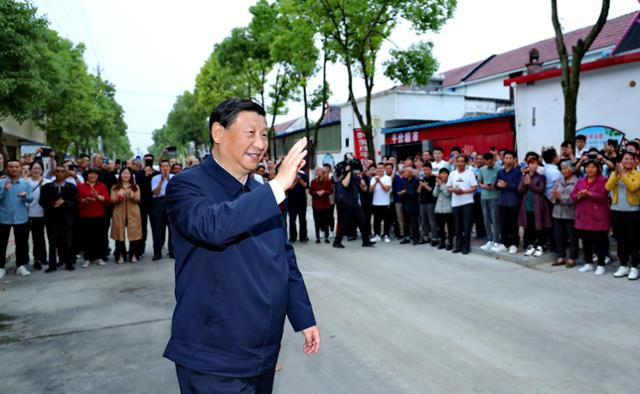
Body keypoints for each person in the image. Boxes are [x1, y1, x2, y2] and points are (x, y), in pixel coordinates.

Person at [163, 99, 319, 393]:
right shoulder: (187, 186)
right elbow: (213, 227)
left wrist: (303, 317)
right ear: (218, 133)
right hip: (211, 356)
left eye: (264, 135)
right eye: (250, 133)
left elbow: (283, 258)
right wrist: (277, 186)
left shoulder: (260, 192)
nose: (260, 144)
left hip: (262, 352)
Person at [572, 160, 610, 276]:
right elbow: (573, 195)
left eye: (593, 167)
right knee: (586, 241)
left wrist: (590, 194)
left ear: (598, 168)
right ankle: (588, 263)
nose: (590, 169)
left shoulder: (603, 180)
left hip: (598, 216)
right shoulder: (581, 181)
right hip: (583, 216)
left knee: (600, 242)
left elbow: (604, 196)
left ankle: (601, 264)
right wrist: (579, 195)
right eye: (588, 167)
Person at [605, 151, 640, 280]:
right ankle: (624, 265)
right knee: (621, 239)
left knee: (633, 240)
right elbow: (607, 187)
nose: (629, 161)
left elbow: (632, 187)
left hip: (633, 211)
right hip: (616, 210)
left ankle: (634, 266)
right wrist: (616, 174)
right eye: (626, 159)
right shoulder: (615, 174)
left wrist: (624, 174)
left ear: (635, 161)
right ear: (621, 161)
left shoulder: (637, 175)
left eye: (631, 159)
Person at [0, 160, 34, 279]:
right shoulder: (1, 182)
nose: (14, 169)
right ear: (7, 169)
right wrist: (4, 190)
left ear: (20, 168)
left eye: (16, 167)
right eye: (11, 167)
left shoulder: (25, 183)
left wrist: (25, 196)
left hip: (21, 217)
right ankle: (1, 267)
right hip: (3, 217)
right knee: (1, 243)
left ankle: (21, 266)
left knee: (22, 243)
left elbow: (30, 199)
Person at [40, 166, 78, 272]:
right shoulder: (47, 187)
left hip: (67, 219)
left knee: (68, 242)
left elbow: (75, 202)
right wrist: (53, 204)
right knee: (52, 243)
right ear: (53, 173)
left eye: (63, 171)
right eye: (57, 171)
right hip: (52, 219)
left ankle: (69, 263)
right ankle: (52, 265)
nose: (60, 173)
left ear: (66, 174)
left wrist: (64, 202)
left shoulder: (72, 187)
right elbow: (42, 202)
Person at [333, 162, 375, 249]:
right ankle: (337, 242)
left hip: (355, 203)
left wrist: (363, 184)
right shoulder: (342, 176)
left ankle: (366, 241)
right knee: (344, 224)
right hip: (346, 203)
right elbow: (345, 184)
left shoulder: (356, 177)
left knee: (363, 220)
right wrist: (349, 172)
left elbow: (365, 189)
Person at [77, 168, 110, 267]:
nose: (93, 176)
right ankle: (87, 258)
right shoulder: (81, 186)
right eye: (91, 174)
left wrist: (97, 196)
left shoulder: (102, 186)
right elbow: (78, 200)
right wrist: (84, 200)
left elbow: (107, 200)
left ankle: (99, 257)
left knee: (99, 237)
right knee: (86, 237)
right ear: (87, 175)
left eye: (95, 174)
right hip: (85, 215)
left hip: (99, 215)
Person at [518, 156, 551, 258]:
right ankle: (531, 246)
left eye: (536, 163)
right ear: (528, 165)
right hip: (526, 205)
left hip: (538, 206)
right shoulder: (524, 176)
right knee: (529, 227)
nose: (534, 165)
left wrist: (530, 184)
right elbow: (519, 190)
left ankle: (540, 246)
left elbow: (541, 190)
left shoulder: (541, 177)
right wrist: (525, 184)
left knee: (539, 227)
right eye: (532, 163)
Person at [550, 160, 579, 267]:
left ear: (572, 170)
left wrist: (560, 197)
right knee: (558, 236)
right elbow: (551, 193)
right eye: (562, 169)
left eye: (566, 168)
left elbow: (574, 198)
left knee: (572, 237)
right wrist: (556, 197)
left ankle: (572, 257)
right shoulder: (559, 179)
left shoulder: (577, 182)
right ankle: (561, 256)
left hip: (570, 214)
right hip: (557, 212)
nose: (563, 171)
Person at [111, 167, 143, 263]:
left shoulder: (135, 186)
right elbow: (112, 200)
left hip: (133, 212)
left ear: (131, 175)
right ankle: (120, 254)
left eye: (128, 173)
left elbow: (138, 199)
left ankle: (134, 254)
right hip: (119, 212)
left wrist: (132, 196)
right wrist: (118, 198)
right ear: (120, 175)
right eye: (124, 173)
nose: (125, 175)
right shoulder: (115, 187)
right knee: (119, 233)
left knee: (134, 234)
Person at [447, 155, 477, 254]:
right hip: (455, 203)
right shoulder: (452, 174)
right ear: (455, 162)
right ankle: (458, 246)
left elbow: (474, 188)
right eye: (458, 161)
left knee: (467, 226)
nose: (460, 163)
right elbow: (449, 188)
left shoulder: (470, 173)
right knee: (457, 226)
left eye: (462, 161)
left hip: (467, 202)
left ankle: (466, 247)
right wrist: (454, 190)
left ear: (466, 163)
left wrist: (462, 192)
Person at [496, 150, 522, 254]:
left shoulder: (517, 172)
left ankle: (514, 244)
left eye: (510, 158)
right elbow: (496, 185)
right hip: (502, 201)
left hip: (513, 202)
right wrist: (498, 185)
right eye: (506, 158)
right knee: (503, 223)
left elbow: (518, 187)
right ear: (503, 159)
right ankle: (504, 243)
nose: (508, 160)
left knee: (513, 224)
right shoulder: (500, 172)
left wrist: (506, 185)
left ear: (514, 159)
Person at [134, 154, 159, 257]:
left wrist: (151, 175)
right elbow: (139, 186)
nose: (149, 162)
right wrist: (145, 175)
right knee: (142, 228)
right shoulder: (139, 174)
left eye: (150, 160)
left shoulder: (157, 173)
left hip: (154, 203)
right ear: (144, 161)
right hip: (142, 204)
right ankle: (140, 250)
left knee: (156, 227)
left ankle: (157, 251)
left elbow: (156, 188)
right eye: (147, 160)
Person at [150, 160, 174, 260]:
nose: (165, 168)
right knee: (157, 229)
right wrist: (161, 180)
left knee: (172, 229)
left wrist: (167, 179)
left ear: (169, 168)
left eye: (167, 166)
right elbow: (155, 192)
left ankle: (173, 251)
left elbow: (175, 190)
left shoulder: (174, 177)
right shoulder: (155, 178)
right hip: (158, 202)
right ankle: (157, 253)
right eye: (163, 166)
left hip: (170, 202)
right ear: (160, 168)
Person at [26, 161, 48, 270]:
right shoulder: (25, 182)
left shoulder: (47, 182)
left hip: (40, 215)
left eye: (39, 168)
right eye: (34, 168)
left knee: (39, 238)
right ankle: (24, 260)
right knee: (24, 239)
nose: (36, 170)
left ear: (42, 170)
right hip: (25, 215)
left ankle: (40, 259)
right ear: (30, 170)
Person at [478, 153, 501, 251]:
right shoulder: (482, 169)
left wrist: (494, 186)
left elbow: (501, 182)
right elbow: (479, 182)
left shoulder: (499, 169)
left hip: (495, 196)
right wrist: (484, 186)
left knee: (495, 219)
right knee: (486, 219)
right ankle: (489, 240)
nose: (488, 164)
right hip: (484, 197)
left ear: (493, 159)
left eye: (490, 162)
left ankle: (496, 240)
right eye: (486, 162)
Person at [369, 163, 392, 243]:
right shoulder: (373, 178)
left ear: (384, 169)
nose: (379, 170)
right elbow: (370, 190)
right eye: (378, 168)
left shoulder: (388, 178)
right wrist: (376, 182)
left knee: (386, 220)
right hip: (376, 203)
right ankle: (377, 235)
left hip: (385, 203)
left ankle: (386, 235)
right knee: (376, 221)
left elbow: (386, 189)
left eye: (381, 168)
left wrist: (380, 182)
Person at [309, 166, 333, 243]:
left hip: (325, 204)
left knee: (326, 220)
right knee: (317, 221)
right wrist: (316, 193)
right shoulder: (313, 181)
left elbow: (330, 191)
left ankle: (326, 236)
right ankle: (317, 237)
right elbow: (311, 191)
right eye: (317, 171)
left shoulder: (327, 181)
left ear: (323, 172)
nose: (318, 172)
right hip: (316, 204)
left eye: (319, 170)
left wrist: (324, 192)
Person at [398, 166, 420, 245]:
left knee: (414, 222)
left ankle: (416, 238)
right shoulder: (403, 180)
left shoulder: (416, 181)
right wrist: (402, 192)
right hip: (404, 203)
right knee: (406, 222)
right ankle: (406, 237)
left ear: (410, 173)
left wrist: (406, 191)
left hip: (413, 204)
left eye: (406, 172)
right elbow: (400, 190)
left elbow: (415, 193)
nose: (404, 173)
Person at [433, 168, 454, 250]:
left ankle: (450, 242)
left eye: (445, 173)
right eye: (441, 173)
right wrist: (437, 186)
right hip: (439, 208)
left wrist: (441, 185)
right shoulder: (438, 183)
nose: (443, 175)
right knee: (440, 227)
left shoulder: (450, 183)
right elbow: (434, 194)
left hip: (448, 208)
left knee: (450, 227)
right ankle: (442, 241)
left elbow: (448, 194)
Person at [418, 162, 437, 245]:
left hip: (431, 202)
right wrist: (421, 185)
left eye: (427, 170)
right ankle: (425, 237)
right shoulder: (422, 179)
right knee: (423, 221)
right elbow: (418, 191)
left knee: (432, 221)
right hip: (422, 202)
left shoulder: (434, 178)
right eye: (424, 170)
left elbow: (432, 190)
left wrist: (425, 185)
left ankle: (434, 238)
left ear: (431, 170)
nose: (426, 171)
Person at [287, 170, 309, 243]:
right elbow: (289, 188)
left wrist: (300, 180)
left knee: (302, 219)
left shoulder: (303, 174)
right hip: (292, 201)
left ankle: (303, 236)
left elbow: (306, 185)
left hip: (302, 200)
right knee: (292, 220)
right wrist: (296, 181)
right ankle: (293, 237)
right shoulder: (289, 175)